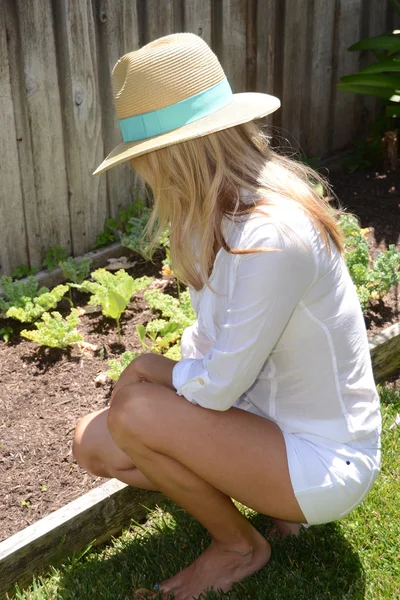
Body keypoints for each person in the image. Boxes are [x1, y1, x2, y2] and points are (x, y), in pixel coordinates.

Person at [72, 33, 382, 600]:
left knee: (138, 411)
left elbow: (215, 387)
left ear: (169, 154)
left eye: (143, 160)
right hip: (260, 420)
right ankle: (264, 492)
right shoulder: (211, 210)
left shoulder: (273, 236)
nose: (143, 173)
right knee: (92, 442)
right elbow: (212, 344)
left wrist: (151, 369)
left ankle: (240, 545)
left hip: (324, 458)